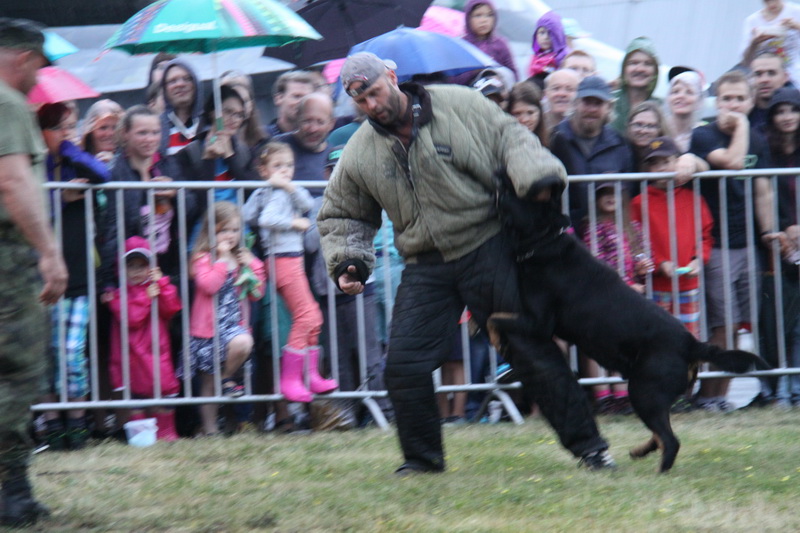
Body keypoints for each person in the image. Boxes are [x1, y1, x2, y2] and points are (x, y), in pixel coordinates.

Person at [318, 51, 614, 474]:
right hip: (426, 264)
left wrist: (537, 177)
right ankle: (422, 462)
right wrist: (349, 261)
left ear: (392, 75)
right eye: (359, 100)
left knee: (529, 349)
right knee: (403, 364)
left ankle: (591, 449)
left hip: (486, 247)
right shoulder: (361, 149)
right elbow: (342, 211)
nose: (371, 105)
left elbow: (510, 137)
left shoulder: (459, 104)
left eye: (375, 92)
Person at [0, 16, 68, 527]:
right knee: (18, 373)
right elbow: (12, 181)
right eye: (39, 64)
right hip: (7, 263)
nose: (39, 75)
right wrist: (47, 250)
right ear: (23, 58)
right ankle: (12, 491)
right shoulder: (6, 103)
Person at [689, 69, 779, 412]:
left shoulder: (758, 138)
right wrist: (741, 126)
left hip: (748, 245)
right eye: (727, 98)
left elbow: (761, 189)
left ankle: (720, 396)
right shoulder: (704, 135)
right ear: (716, 101)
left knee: (740, 326)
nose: (733, 105)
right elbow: (733, 162)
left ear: (751, 100)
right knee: (721, 326)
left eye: (740, 99)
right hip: (719, 244)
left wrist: (768, 232)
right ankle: (708, 395)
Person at [37, 101, 111, 452]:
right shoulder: (39, 165)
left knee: (72, 350)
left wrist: (69, 148)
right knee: (49, 351)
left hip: (79, 273)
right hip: (45, 274)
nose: (67, 134)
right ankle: (53, 423)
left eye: (72, 126)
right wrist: (62, 197)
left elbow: (103, 176)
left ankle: (77, 421)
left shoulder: (78, 160)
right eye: (59, 128)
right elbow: (38, 205)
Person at [242, 142, 333, 403]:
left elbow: (305, 203)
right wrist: (292, 221)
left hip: (289, 259)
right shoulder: (275, 193)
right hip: (283, 260)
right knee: (306, 317)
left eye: (289, 166)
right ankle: (291, 380)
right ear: (264, 170)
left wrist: (285, 186)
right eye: (277, 166)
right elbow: (265, 220)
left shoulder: (276, 191)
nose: (285, 171)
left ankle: (311, 374)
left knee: (314, 317)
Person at [632, 137, 715, 411]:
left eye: (665, 161)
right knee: (656, 344)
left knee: (689, 342)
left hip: (688, 284)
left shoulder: (695, 198)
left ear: (676, 162)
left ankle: (685, 394)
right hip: (657, 286)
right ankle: (658, 395)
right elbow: (636, 241)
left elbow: (705, 236)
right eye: (653, 164)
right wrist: (658, 262)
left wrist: (698, 260)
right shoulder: (638, 203)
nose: (660, 168)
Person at [183, 201, 265, 435]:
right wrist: (221, 260)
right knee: (207, 384)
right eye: (223, 230)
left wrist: (254, 265)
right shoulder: (202, 257)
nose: (229, 235)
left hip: (233, 326)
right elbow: (209, 286)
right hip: (207, 331)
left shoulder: (242, 257)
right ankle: (210, 430)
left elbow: (258, 291)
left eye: (234, 230)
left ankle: (227, 377)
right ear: (211, 231)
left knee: (244, 343)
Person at [108, 105, 200, 287]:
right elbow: (112, 230)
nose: (150, 139)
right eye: (142, 133)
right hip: (133, 271)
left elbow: (192, 210)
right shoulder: (116, 172)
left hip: (170, 267)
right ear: (125, 134)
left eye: (155, 133)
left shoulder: (169, 165)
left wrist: (175, 194)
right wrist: (109, 282)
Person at [579, 182, 651, 414]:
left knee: (624, 343)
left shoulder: (632, 227)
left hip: (627, 298)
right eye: (604, 194)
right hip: (603, 295)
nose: (610, 198)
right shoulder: (594, 228)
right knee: (598, 343)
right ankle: (601, 395)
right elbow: (597, 262)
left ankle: (621, 394)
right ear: (596, 201)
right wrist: (628, 285)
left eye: (614, 193)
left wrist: (644, 267)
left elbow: (641, 255)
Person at [106, 236, 181, 441]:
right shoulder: (118, 295)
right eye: (131, 266)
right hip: (131, 356)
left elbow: (171, 308)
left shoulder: (157, 286)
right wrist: (146, 297)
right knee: (135, 397)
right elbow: (132, 318)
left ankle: (166, 433)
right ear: (122, 269)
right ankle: (141, 439)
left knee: (163, 391)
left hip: (157, 351)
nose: (137, 271)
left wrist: (163, 284)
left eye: (142, 265)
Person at [757, 86, 800, 407]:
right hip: (778, 243)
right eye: (780, 111)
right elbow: (766, 193)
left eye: (793, 110)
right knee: (777, 321)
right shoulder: (765, 148)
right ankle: (775, 389)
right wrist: (784, 227)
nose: (787, 117)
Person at [550, 75, 635, 224]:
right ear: (575, 103)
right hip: (563, 234)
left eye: (598, 103)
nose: (592, 109)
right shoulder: (553, 139)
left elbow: (628, 194)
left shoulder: (620, 145)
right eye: (587, 102)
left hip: (606, 237)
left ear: (608, 107)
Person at [176, 84, 258, 205]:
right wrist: (208, 159)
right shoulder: (189, 154)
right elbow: (196, 204)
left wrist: (230, 157)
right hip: (205, 221)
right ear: (213, 112)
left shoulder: (245, 152)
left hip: (238, 220)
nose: (234, 119)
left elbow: (252, 197)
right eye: (228, 111)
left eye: (239, 115)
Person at [274, 92, 335, 195]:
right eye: (307, 121)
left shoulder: (335, 157)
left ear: (331, 124)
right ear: (297, 118)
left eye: (320, 122)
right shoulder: (277, 147)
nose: (313, 129)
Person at [453, 1, 517, 86]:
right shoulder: (462, 45)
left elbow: (513, 76)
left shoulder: (500, 44)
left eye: (489, 15)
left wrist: (499, 75)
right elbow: (453, 79)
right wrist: (473, 70)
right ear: (468, 18)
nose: (484, 20)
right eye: (478, 15)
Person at [741, 0, 800, 86]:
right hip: (765, 76)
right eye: (767, 1)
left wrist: (796, 26)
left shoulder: (796, 11)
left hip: (794, 74)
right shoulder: (752, 21)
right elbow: (745, 60)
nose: (772, 4)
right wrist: (755, 42)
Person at [611, 36, 660, 133]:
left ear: (655, 72)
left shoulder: (661, 108)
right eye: (633, 63)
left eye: (647, 64)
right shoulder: (609, 103)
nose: (640, 69)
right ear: (624, 69)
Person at [159, 58, 202, 156]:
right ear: (164, 89)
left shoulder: (210, 124)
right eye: (172, 81)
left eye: (187, 79)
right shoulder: (156, 129)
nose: (180, 84)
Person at [664, 70, 706, 152]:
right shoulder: (658, 128)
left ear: (699, 101)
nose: (681, 96)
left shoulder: (704, 132)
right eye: (675, 91)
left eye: (689, 92)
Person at [266, 70, 317, 138]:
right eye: (297, 96)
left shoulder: (317, 138)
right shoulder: (263, 137)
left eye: (307, 97)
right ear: (279, 99)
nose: (302, 102)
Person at [749, 52, 791, 130]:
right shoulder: (742, 114)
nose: (764, 80)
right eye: (758, 74)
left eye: (771, 73)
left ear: (785, 77)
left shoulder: (796, 114)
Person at [80, 99, 124, 165]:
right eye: (103, 128)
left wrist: (114, 164)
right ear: (90, 131)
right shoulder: (78, 161)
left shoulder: (130, 161)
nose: (110, 133)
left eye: (115, 127)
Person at [528, 11, 570, 78]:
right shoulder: (536, 55)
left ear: (557, 35)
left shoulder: (563, 56)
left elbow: (561, 74)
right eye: (542, 33)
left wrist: (544, 69)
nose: (546, 37)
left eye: (550, 33)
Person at [508, 80, 549, 147]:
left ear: (540, 113)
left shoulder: (554, 140)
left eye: (530, 113)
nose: (524, 119)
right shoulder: (500, 144)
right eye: (517, 114)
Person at [542, 68, 579, 134]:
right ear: (546, 93)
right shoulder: (536, 121)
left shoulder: (585, 124)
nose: (562, 94)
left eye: (569, 89)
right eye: (556, 88)